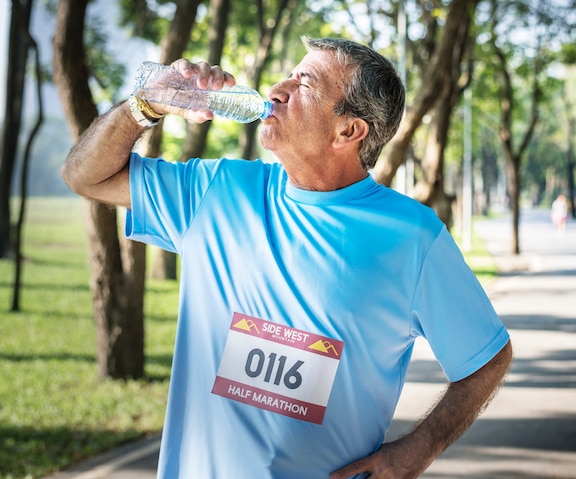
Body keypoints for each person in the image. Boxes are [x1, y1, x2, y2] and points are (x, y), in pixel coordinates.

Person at [62, 37, 512, 479]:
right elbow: (84, 175)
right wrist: (145, 106)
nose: (278, 89)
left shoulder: (413, 237)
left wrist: (416, 450)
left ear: (349, 130)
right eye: (290, 75)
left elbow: (487, 358)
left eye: (306, 84)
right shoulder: (215, 190)